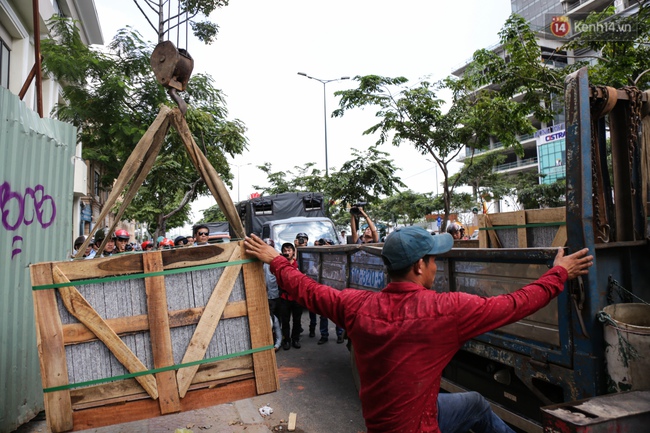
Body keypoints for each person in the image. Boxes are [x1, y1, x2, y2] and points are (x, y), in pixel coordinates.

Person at [244, 226, 593, 433]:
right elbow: (517, 303)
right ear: (418, 266)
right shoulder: (445, 310)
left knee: (474, 403)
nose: (436, 266)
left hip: (384, 422)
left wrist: (276, 259)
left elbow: (308, 289)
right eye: (434, 259)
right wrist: (558, 273)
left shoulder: (354, 306)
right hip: (418, 427)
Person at [277, 242, 304, 350]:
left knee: (297, 320)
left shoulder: (299, 264)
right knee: (285, 321)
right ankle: (286, 340)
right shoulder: (281, 265)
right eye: (285, 251)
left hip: (297, 298)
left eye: (289, 250)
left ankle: (295, 339)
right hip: (284, 298)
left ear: (293, 252)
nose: (287, 252)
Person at [263, 239, 282, 351]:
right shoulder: (259, 261)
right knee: (267, 319)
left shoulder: (277, 261)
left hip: (276, 296)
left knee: (277, 320)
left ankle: (278, 341)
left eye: (269, 246)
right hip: (265, 296)